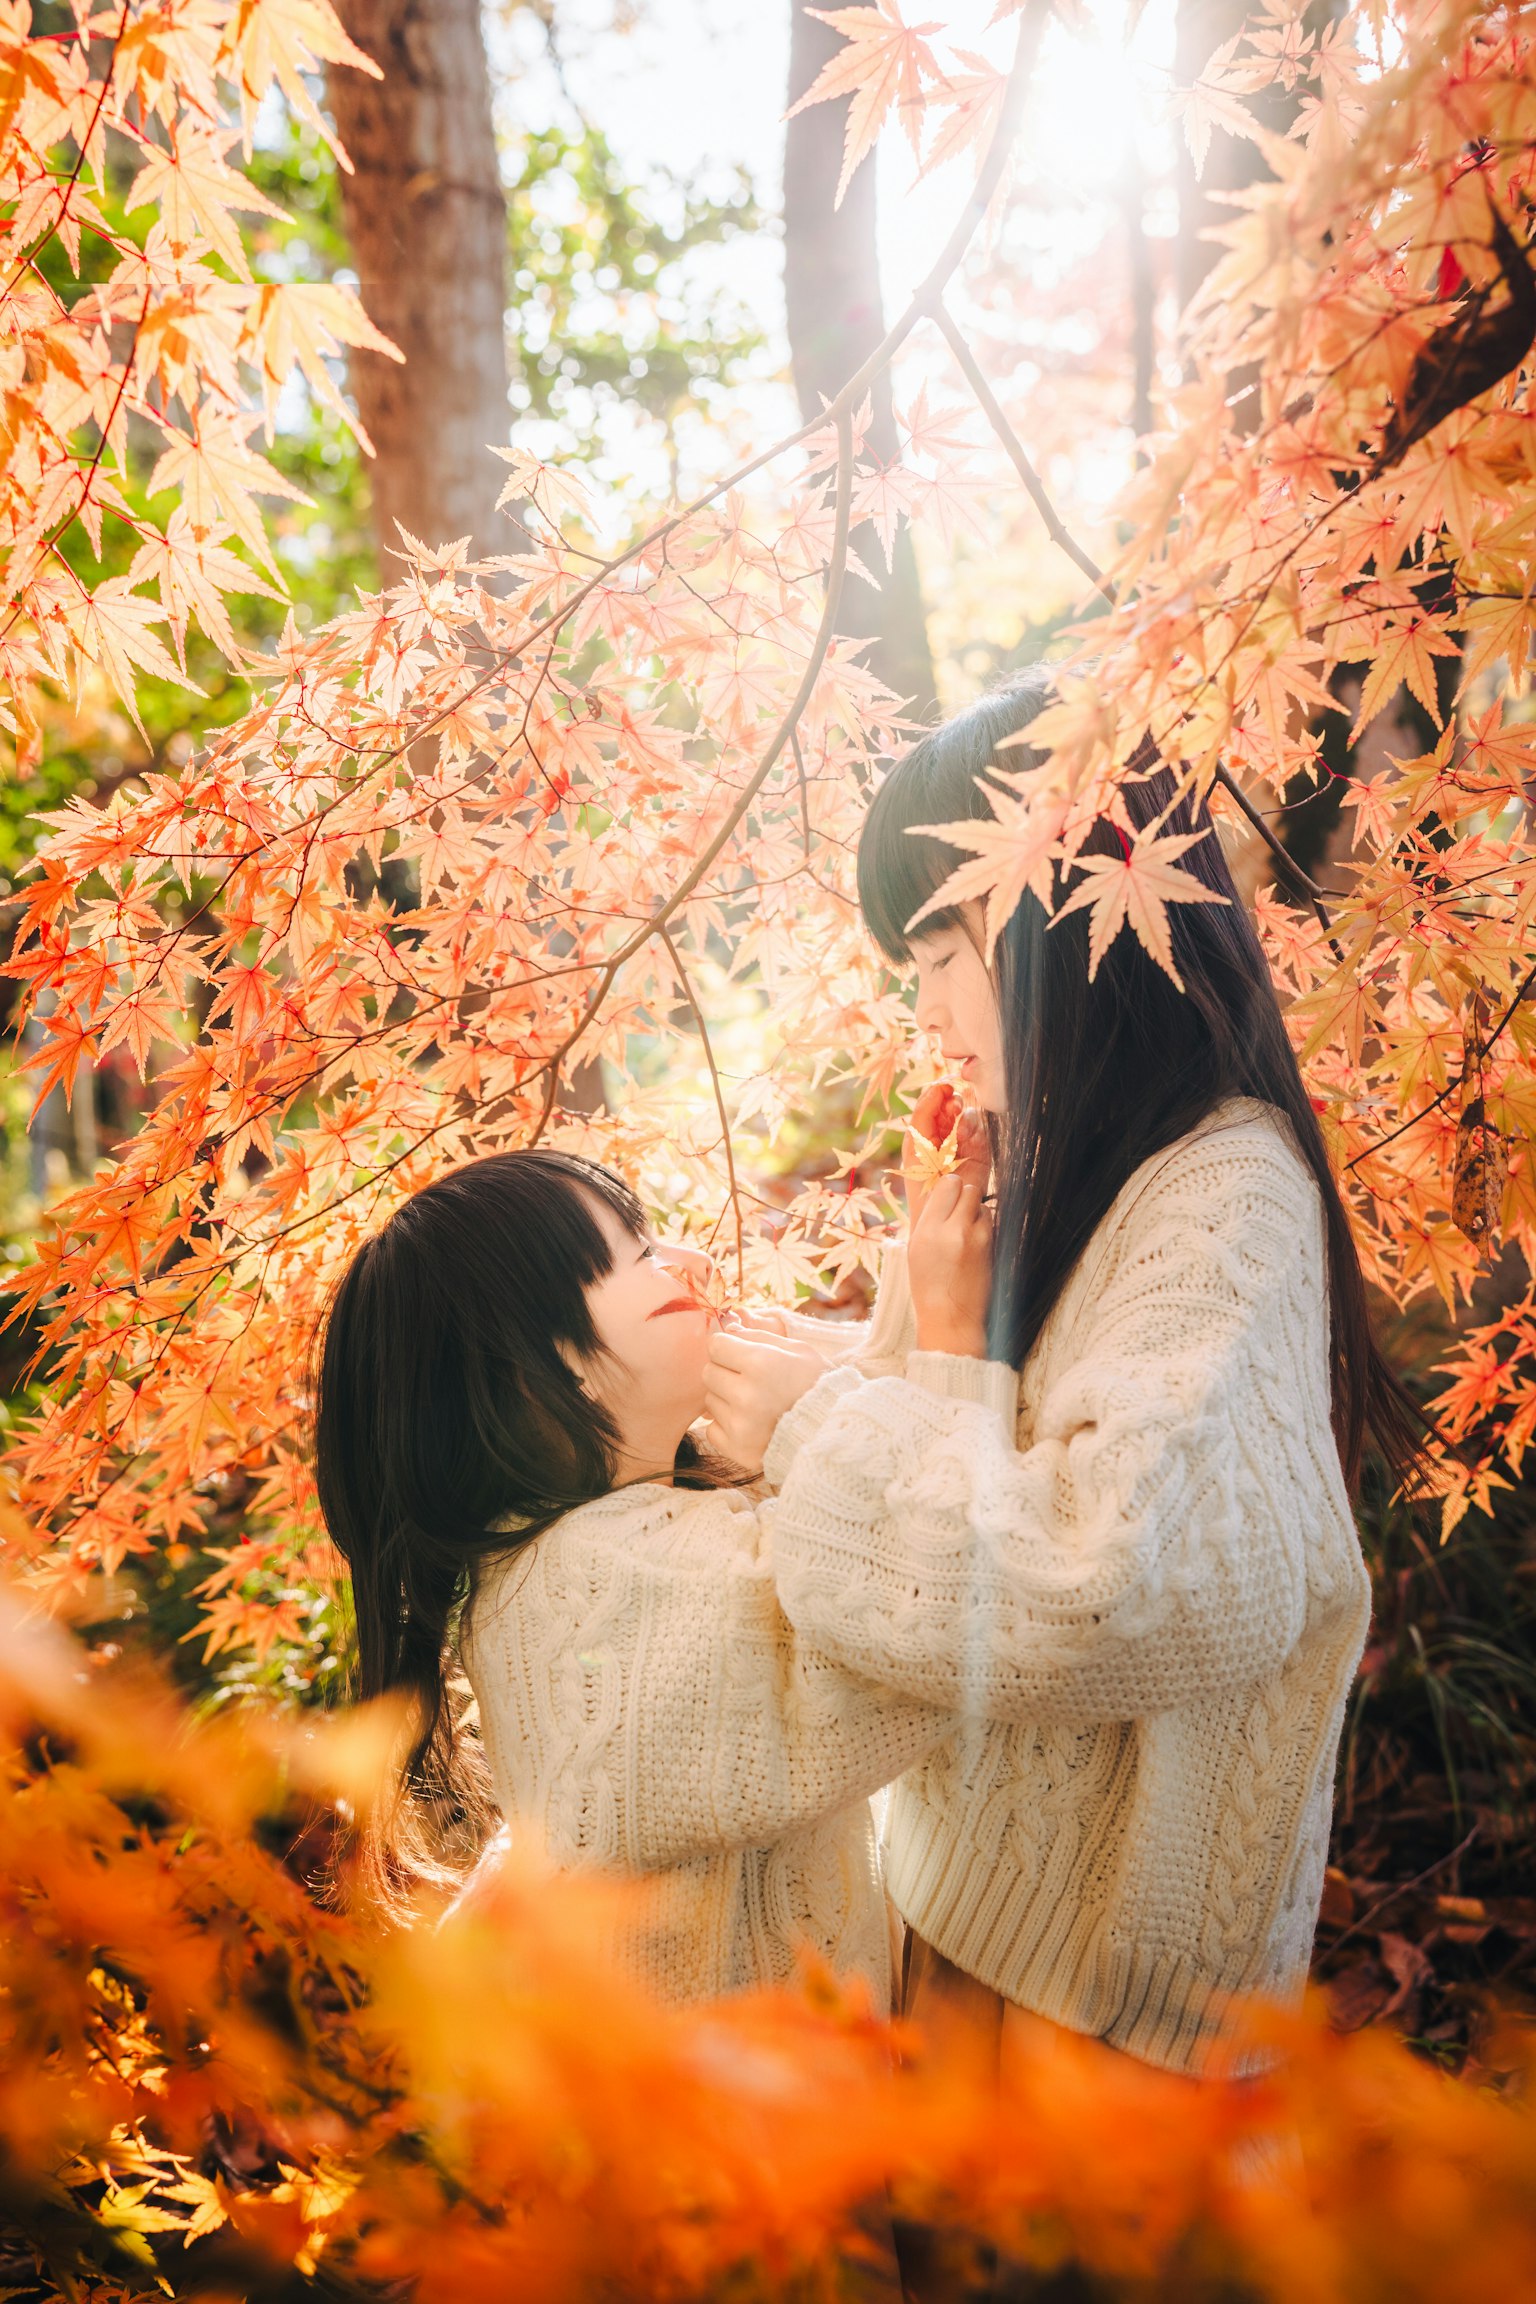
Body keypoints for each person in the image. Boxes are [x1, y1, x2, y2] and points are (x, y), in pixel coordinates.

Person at [705, 673, 1419, 2111]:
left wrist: (813, 1420)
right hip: (951, 1920)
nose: (926, 1008)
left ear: (1058, 924)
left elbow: (1099, 1582)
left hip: (1110, 2027)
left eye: (939, 949)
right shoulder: (1017, 1177)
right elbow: (941, 1454)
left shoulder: (1225, 1195)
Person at [313, 1146, 945, 2008]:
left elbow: (850, 1505)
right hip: (741, 2124)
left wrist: (917, 1293)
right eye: (643, 1254)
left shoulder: (602, 1538)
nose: (695, 1261)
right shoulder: (603, 1593)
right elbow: (916, 1606)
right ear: (541, 1366)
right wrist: (855, 1384)